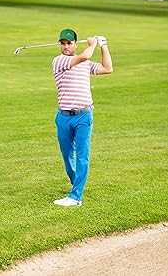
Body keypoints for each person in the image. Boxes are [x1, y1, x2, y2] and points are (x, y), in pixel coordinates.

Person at [52, 29, 113, 206]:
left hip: (84, 116)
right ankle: (75, 184)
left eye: (69, 43)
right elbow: (84, 57)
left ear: (75, 44)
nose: (65, 46)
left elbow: (107, 68)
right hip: (64, 117)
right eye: (62, 43)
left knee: (82, 156)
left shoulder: (85, 64)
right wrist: (92, 44)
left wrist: (103, 45)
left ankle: (75, 196)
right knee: (67, 155)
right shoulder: (59, 61)